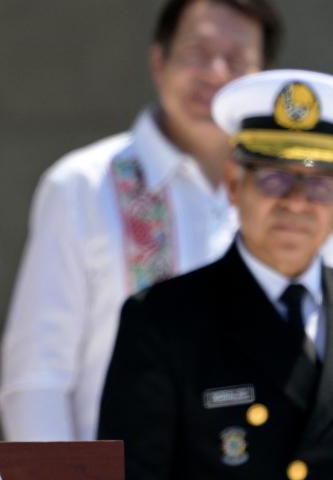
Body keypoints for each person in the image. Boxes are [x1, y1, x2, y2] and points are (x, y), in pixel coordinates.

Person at [0, 0, 282, 441]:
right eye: (198, 51)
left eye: (237, 59)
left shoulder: (296, 199)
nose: (217, 73)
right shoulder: (83, 186)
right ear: (158, 60)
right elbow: (37, 381)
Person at [99, 69, 333, 480]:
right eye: (274, 178)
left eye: (319, 186)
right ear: (232, 183)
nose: (297, 203)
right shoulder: (161, 320)